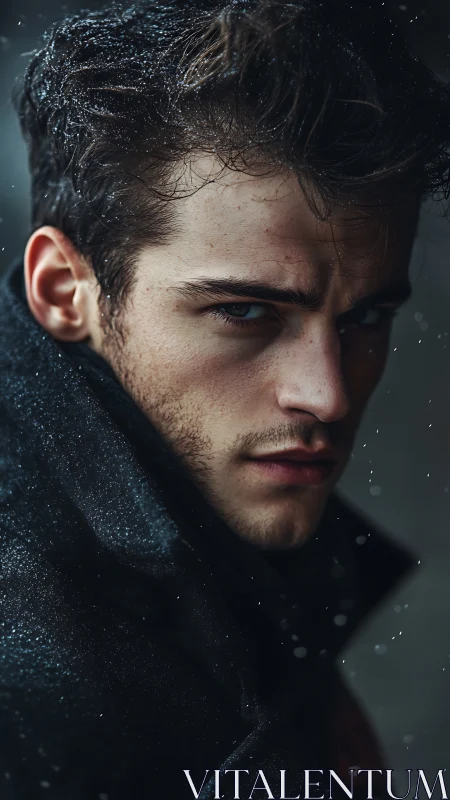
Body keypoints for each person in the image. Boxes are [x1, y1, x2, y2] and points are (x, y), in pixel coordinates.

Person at [0, 0, 449, 797]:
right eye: (244, 312)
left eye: (366, 317)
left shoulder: (207, 564)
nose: (329, 394)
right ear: (65, 291)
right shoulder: (33, 676)